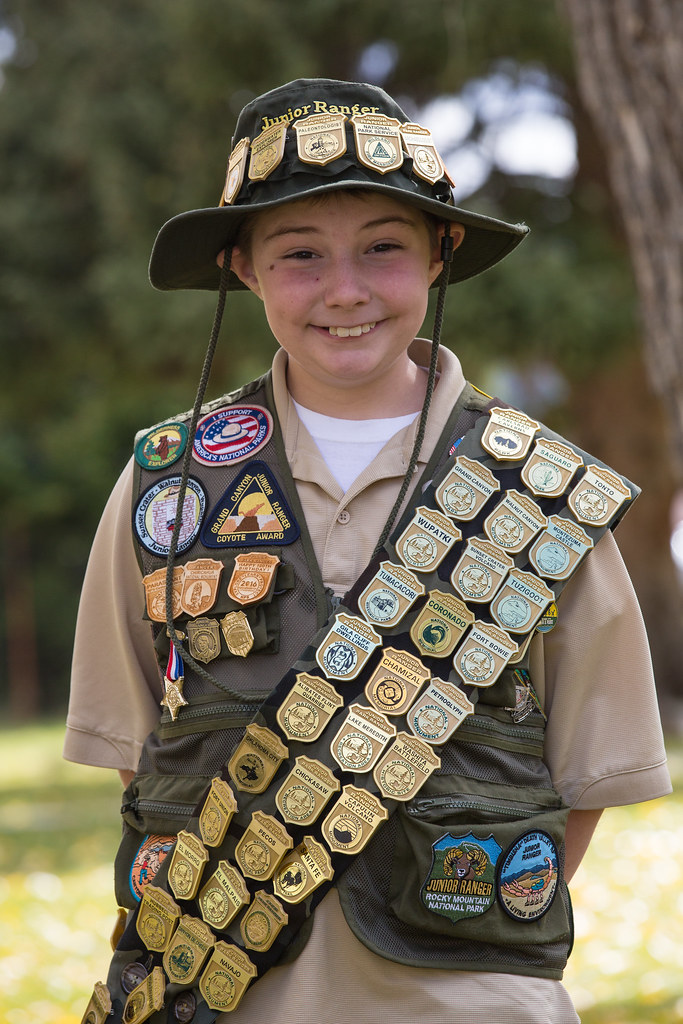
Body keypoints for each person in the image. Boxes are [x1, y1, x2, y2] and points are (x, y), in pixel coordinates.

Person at [66, 78, 671, 1024]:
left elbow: (590, 767)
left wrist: (471, 938)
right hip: (230, 995)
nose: (343, 290)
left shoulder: (537, 491)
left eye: (382, 249)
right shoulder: (167, 486)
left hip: (467, 998)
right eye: (298, 254)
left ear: (440, 255)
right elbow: (140, 752)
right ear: (241, 267)